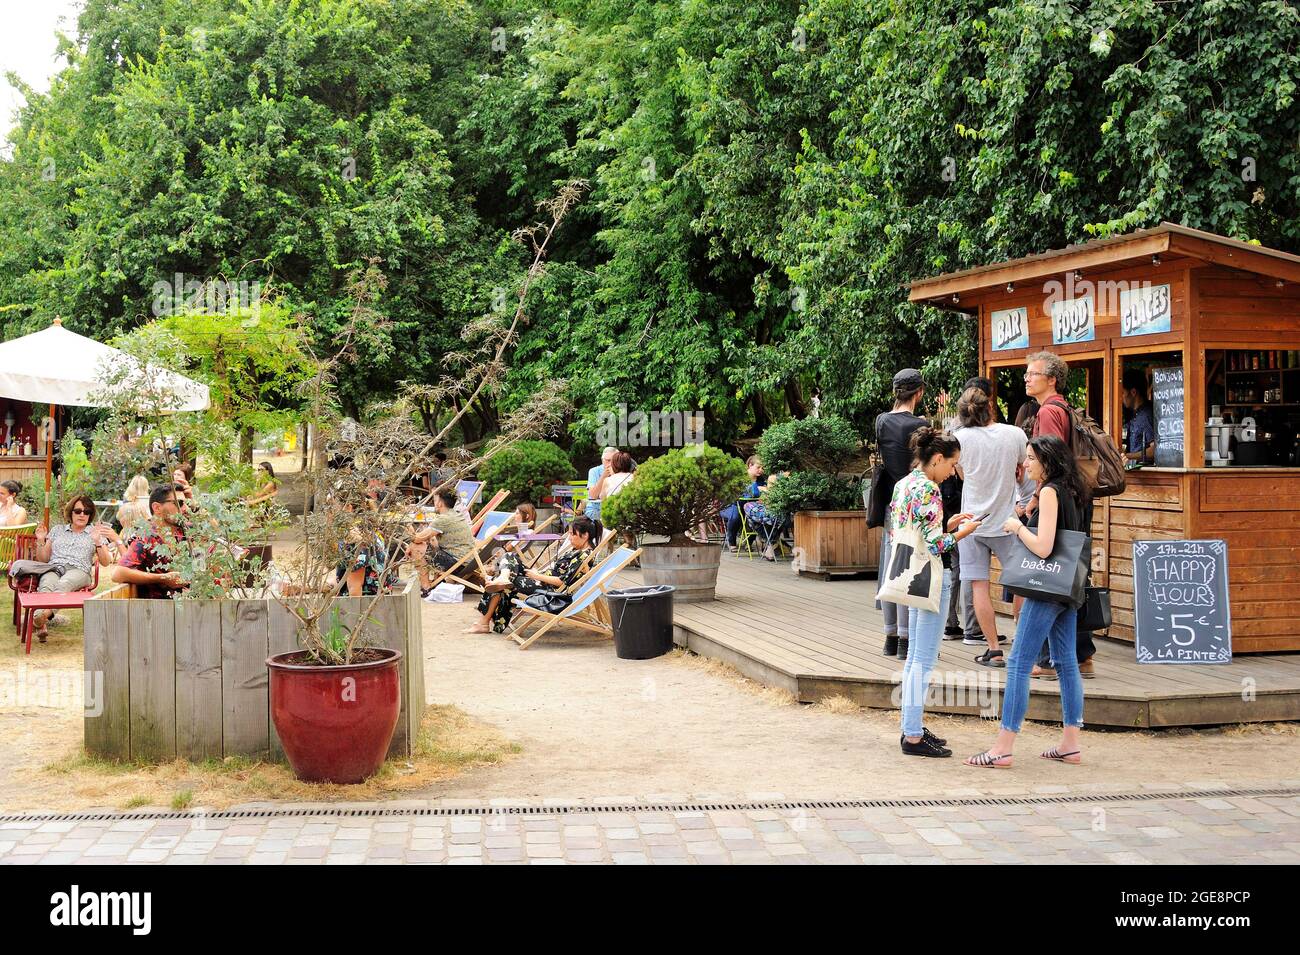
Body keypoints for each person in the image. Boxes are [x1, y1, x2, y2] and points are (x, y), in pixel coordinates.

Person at [966, 435, 1088, 768]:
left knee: (1019, 662)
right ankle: (1070, 744)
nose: (1026, 464)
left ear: (1048, 461)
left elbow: (1044, 546)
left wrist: (1018, 527)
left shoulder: (1050, 492)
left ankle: (1003, 747)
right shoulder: (1072, 490)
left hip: (1044, 587)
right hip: (1066, 586)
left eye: (1032, 458)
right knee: (1065, 662)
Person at [892, 428, 982, 757]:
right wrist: (962, 532)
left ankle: (910, 727)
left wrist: (947, 524)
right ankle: (913, 735)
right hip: (931, 577)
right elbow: (934, 544)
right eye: (953, 464)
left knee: (915, 656)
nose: (953, 472)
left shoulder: (904, 484)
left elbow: (910, 532)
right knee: (924, 660)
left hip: (910, 575)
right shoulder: (930, 489)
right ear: (938, 458)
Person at [1024, 351, 1098, 679]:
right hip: (1075, 497)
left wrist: (1037, 497)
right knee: (1072, 570)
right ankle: (1081, 655)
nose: (1027, 378)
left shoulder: (1050, 411)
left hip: (1058, 498)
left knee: (1049, 573)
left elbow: (1050, 460)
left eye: (1033, 373)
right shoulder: (1065, 407)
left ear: (1051, 379)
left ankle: (1047, 659)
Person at [952, 386, 1026, 667]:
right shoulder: (1014, 434)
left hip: (970, 525)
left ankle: (994, 650)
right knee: (1021, 584)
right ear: (990, 407)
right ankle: (1022, 644)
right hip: (1007, 522)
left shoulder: (959, 439)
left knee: (979, 586)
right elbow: (1021, 469)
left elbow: (959, 472)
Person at [466, 515, 602, 634]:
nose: (570, 537)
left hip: (551, 591)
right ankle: (503, 579)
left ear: (585, 536)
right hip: (542, 580)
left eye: (573, 534)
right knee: (509, 556)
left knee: (506, 581)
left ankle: (484, 621)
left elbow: (562, 583)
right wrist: (538, 573)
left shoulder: (584, 556)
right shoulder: (576, 550)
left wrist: (537, 576)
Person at [876, 368, 929, 659]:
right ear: (918, 392)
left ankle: (890, 636)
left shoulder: (881, 421)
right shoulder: (921, 425)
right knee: (909, 567)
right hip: (914, 501)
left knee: (890, 566)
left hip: (890, 502)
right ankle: (906, 641)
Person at [15, 496, 122, 642]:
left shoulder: (94, 532)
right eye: (78, 511)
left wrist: (97, 541)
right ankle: (41, 624)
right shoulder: (57, 530)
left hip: (79, 570)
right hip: (54, 568)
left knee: (63, 584)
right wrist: (40, 540)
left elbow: (105, 562)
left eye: (87, 511)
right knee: (46, 584)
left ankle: (40, 617)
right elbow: (43, 559)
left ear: (90, 514)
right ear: (71, 512)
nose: (82, 515)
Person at [113, 484, 188, 599]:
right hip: (157, 610)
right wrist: (163, 578)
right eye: (179, 503)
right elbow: (118, 573)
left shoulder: (184, 531)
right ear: (157, 508)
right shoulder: (145, 537)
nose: (185, 508)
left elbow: (217, 530)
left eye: (186, 503)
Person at [408, 486, 477, 594]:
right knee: (429, 541)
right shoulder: (456, 514)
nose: (434, 503)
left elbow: (417, 539)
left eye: (435, 500)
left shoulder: (443, 519)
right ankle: (435, 582)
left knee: (416, 547)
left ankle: (426, 587)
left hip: (457, 564)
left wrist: (409, 527)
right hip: (469, 561)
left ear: (440, 503)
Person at [721, 455, 766, 551]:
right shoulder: (739, 477)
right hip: (731, 505)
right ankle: (731, 542)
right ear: (750, 465)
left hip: (749, 507)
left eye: (762, 468)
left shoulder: (761, 480)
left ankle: (748, 542)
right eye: (758, 467)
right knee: (736, 514)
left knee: (757, 515)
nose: (761, 470)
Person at [1121, 368, 1155, 463]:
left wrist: (1128, 456)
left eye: (1122, 393)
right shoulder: (1132, 414)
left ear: (1133, 392)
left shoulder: (1146, 415)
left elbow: (1155, 450)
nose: (1121, 397)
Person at [584, 447, 619, 520]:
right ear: (602, 460)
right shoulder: (594, 471)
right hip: (596, 509)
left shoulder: (621, 472)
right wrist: (604, 476)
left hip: (616, 508)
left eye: (614, 461)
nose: (611, 464)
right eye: (608, 460)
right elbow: (593, 495)